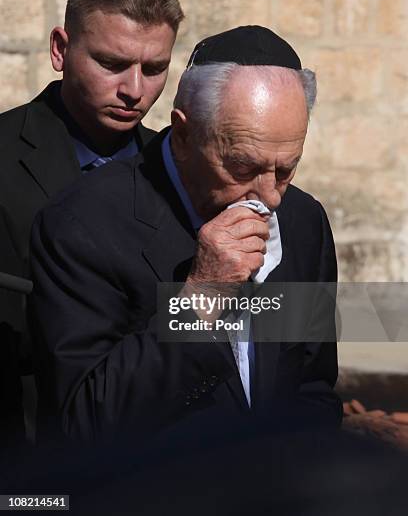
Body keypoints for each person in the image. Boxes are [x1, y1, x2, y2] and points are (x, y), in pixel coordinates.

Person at [29, 25, 342, 445]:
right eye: (242, 168)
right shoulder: (82, 224)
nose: (269, 198)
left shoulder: (303, 222)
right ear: (184, 135)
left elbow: (311, 389)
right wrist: (201, 297)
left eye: (285, 169)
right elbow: (83, 420)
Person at [0, 0, 183, 444]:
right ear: (61, 49)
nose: (135, 90)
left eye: (155, 68)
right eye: (112, 63)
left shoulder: (183, 172)